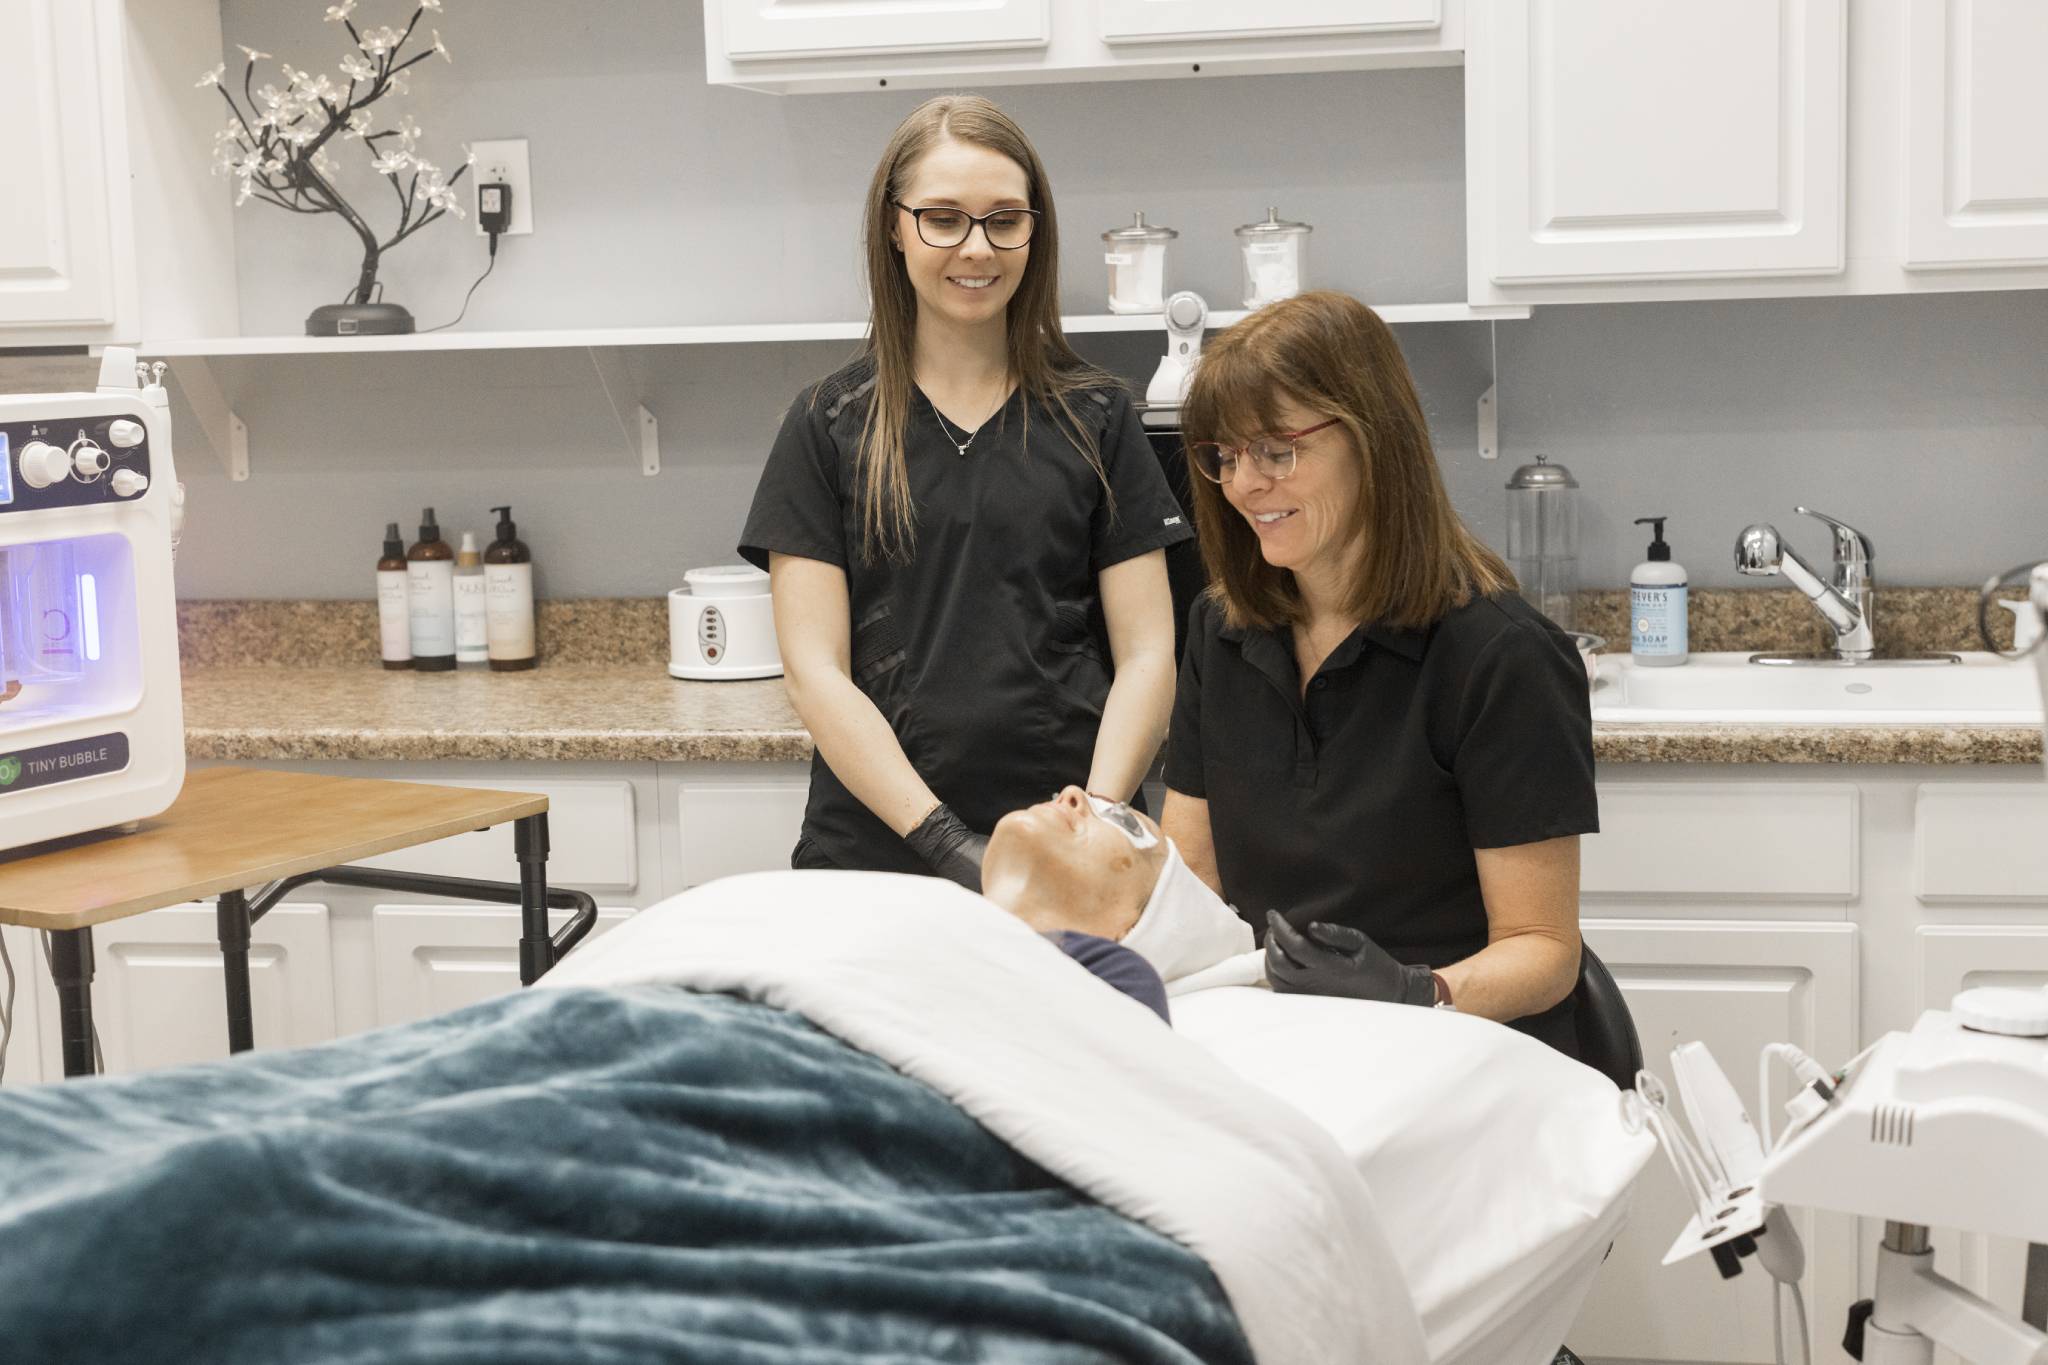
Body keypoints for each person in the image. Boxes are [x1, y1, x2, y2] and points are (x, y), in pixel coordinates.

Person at [740, 95, 1188, 893]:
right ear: (893, 224)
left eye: (1004, 219)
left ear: (1033, 228)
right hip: (874, 856)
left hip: (1073, 854)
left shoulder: (1097, 418)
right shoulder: (827, 424)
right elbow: (814, 670)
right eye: (943, 218)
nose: (976, 248)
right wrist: (948, 844)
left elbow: (1150, 653)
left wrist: (1094, 824)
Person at [1159, 291, 1598, 1058]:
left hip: (1459, 1052)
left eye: (1275, 451)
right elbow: (1191, 884)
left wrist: (1414, 991)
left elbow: (1543, 949)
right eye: (1225, 457)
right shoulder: (1220, 630)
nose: (1242, 486)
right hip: (1286, 1041)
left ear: (1373, 439)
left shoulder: (1500, 656)